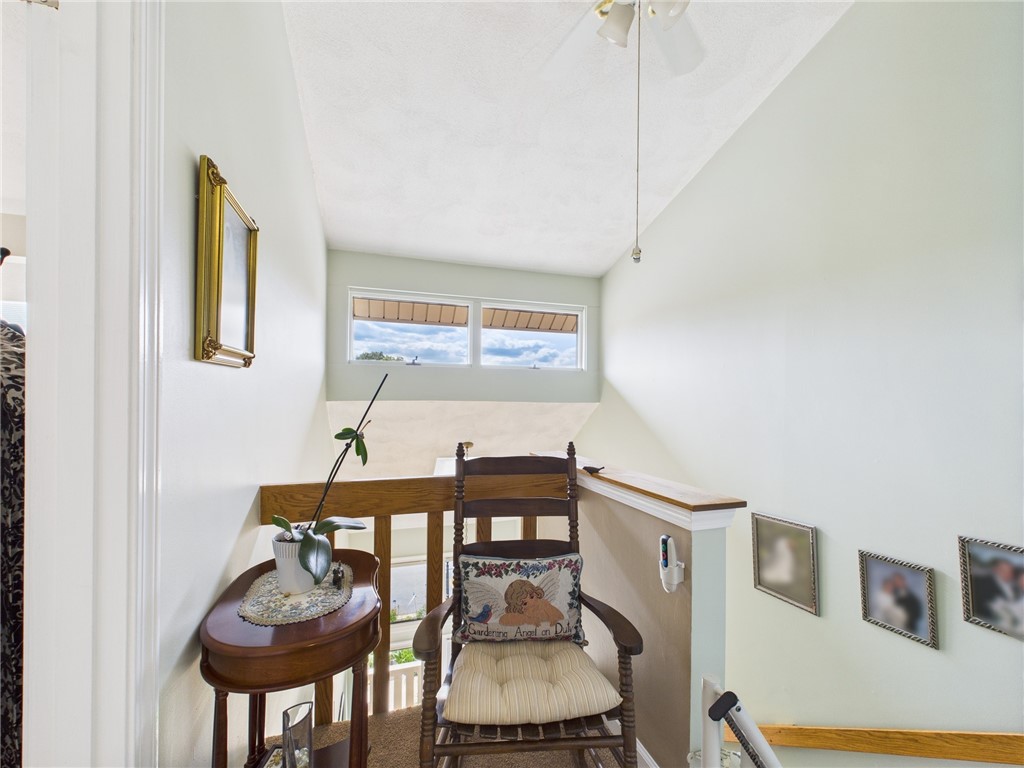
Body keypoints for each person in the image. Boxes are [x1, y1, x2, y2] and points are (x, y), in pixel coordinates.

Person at [498, 580, 564, 627]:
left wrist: (553, 619)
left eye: (532, 596)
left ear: (536, 593)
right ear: (517, 607)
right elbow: (502, 620)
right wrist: (527, 620)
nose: (532, 602)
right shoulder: (520, 614)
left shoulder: (543, 604)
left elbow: (560, 617)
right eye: (525, 603)